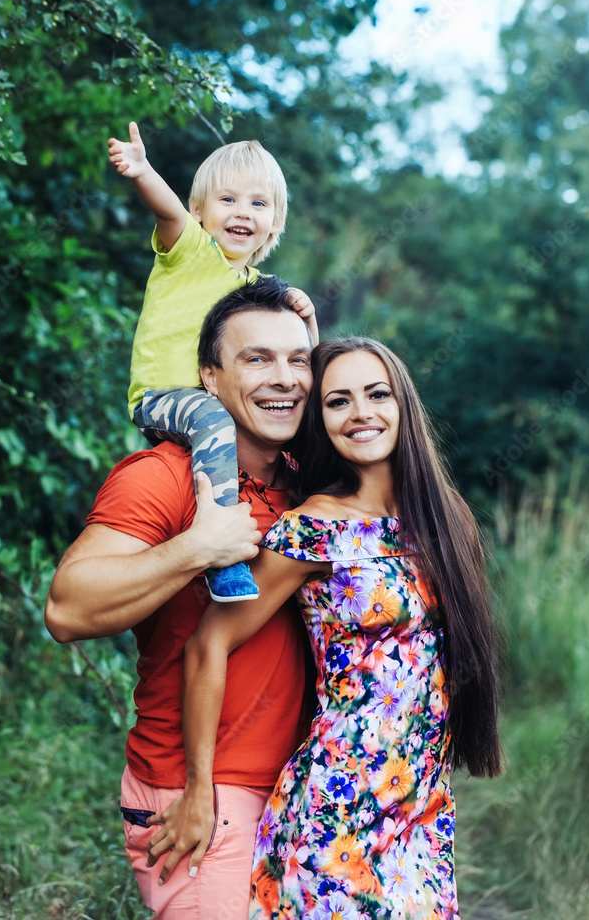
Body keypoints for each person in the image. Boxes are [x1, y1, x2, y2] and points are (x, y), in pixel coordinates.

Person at [165, 336, 502, 918]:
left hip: (419, 813)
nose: (361, 414)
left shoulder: (447, 519)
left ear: (404, 404)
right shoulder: (312, 530)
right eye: (337, 401)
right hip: (334, 809)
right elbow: (208, 643)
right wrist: (199, 789)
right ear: (320, 420)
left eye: (377, 394)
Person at [45, 277, 316, 920]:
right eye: (256, 359)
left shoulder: (312, 486)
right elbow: (67, 609)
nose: (284, 378)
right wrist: (198, 547)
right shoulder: (164, 476)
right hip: (194, 798)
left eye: (297, 359)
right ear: (210, 380)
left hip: (302, 790)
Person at [107, 122, 318, 602]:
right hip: (162, 398)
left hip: (210, 409)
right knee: (214, 417)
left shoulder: (259, 287)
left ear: (275, 221)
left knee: (306, 424)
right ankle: (221, 551)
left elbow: (302, 358)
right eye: (228, 200)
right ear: (199, 210)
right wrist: (142, 171)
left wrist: (306, 316)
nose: (243, 212)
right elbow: (166, 210)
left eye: (258, 203)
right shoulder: (191, 252)